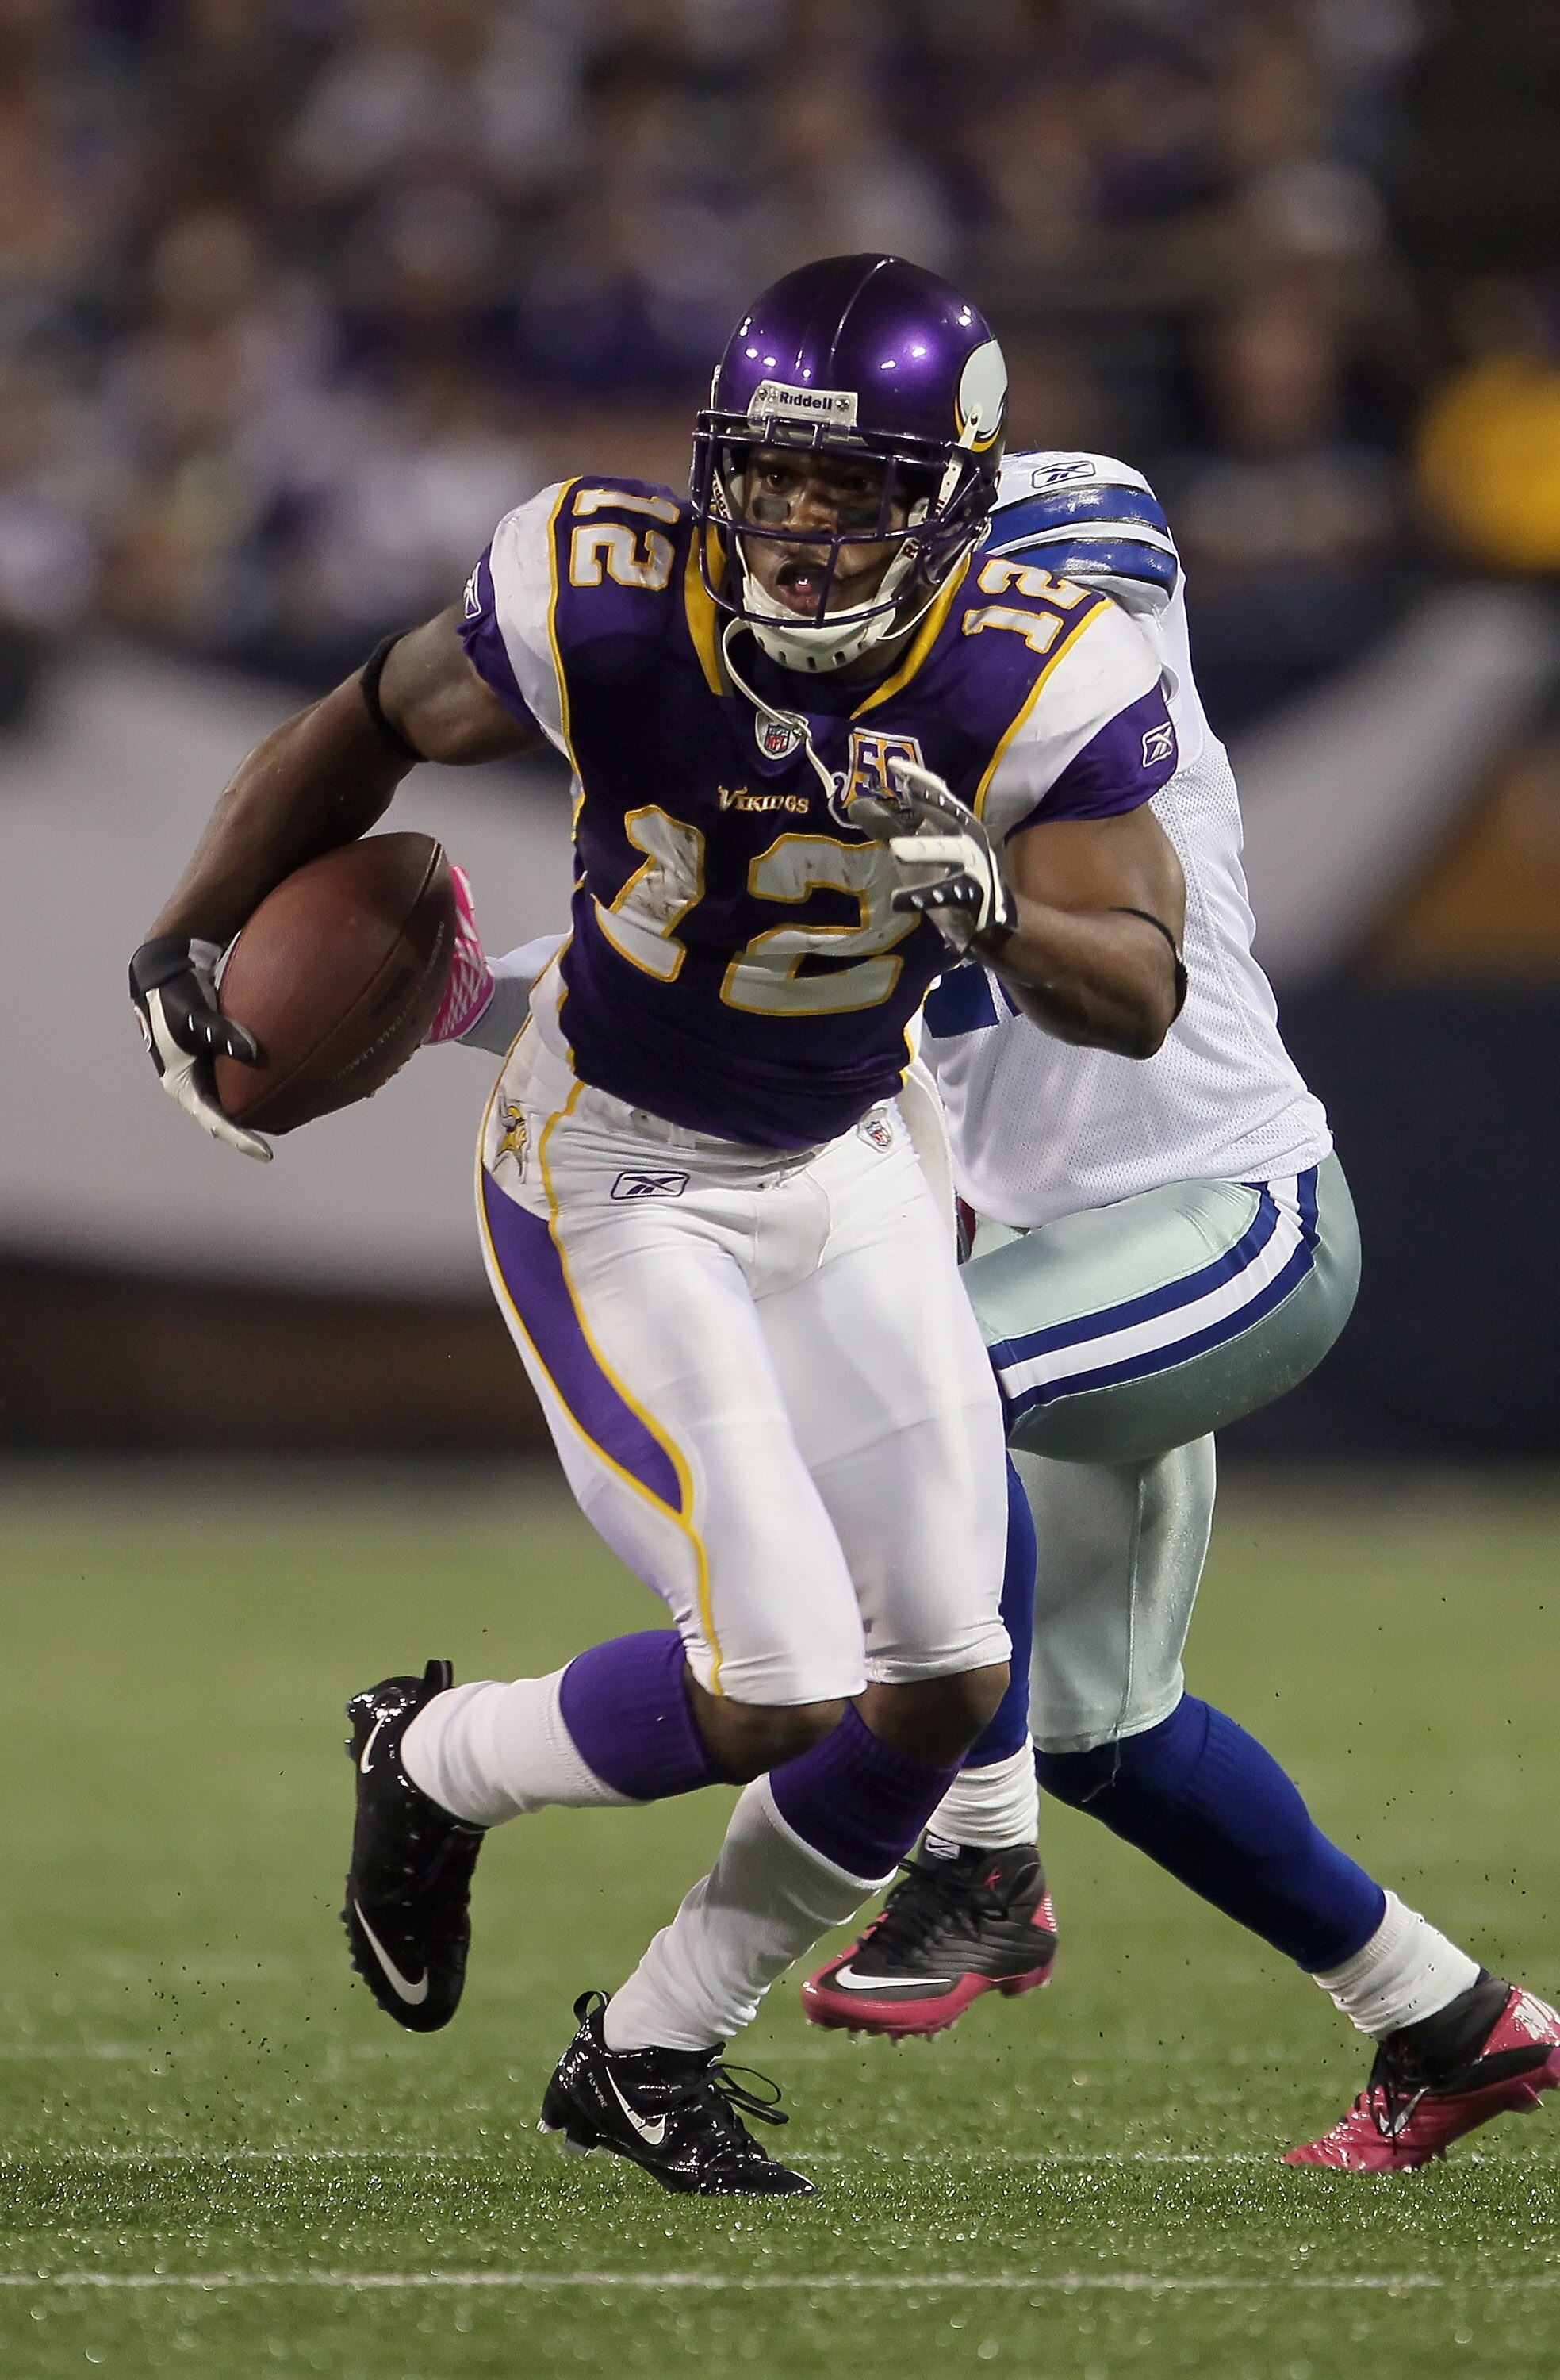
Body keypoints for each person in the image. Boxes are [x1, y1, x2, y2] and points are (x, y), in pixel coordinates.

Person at [128, 255, 1190, 2197]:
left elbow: (1142, 985)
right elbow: (367, 719)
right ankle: (428, 1762)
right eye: (773, 481)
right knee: (774, 1681)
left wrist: (990, 910)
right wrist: (193, 923)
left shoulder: (1043, 662)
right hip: (609, 1166)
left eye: (856, 488)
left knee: (953, 1680)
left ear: (952, 488)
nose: (799, 532)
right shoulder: (599, 585)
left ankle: (647, 2049)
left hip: (854, 1157)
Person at [791, 447, 1560, 2173]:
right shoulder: (863, 770)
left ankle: (977, 1867)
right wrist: (456, 1000)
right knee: (1105, 1728)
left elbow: (1109, 588)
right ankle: (1451, 2020)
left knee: (926, 1387)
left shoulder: (1083, 689)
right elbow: (666, 969)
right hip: (1080, 1264)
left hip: (1233, 1218)